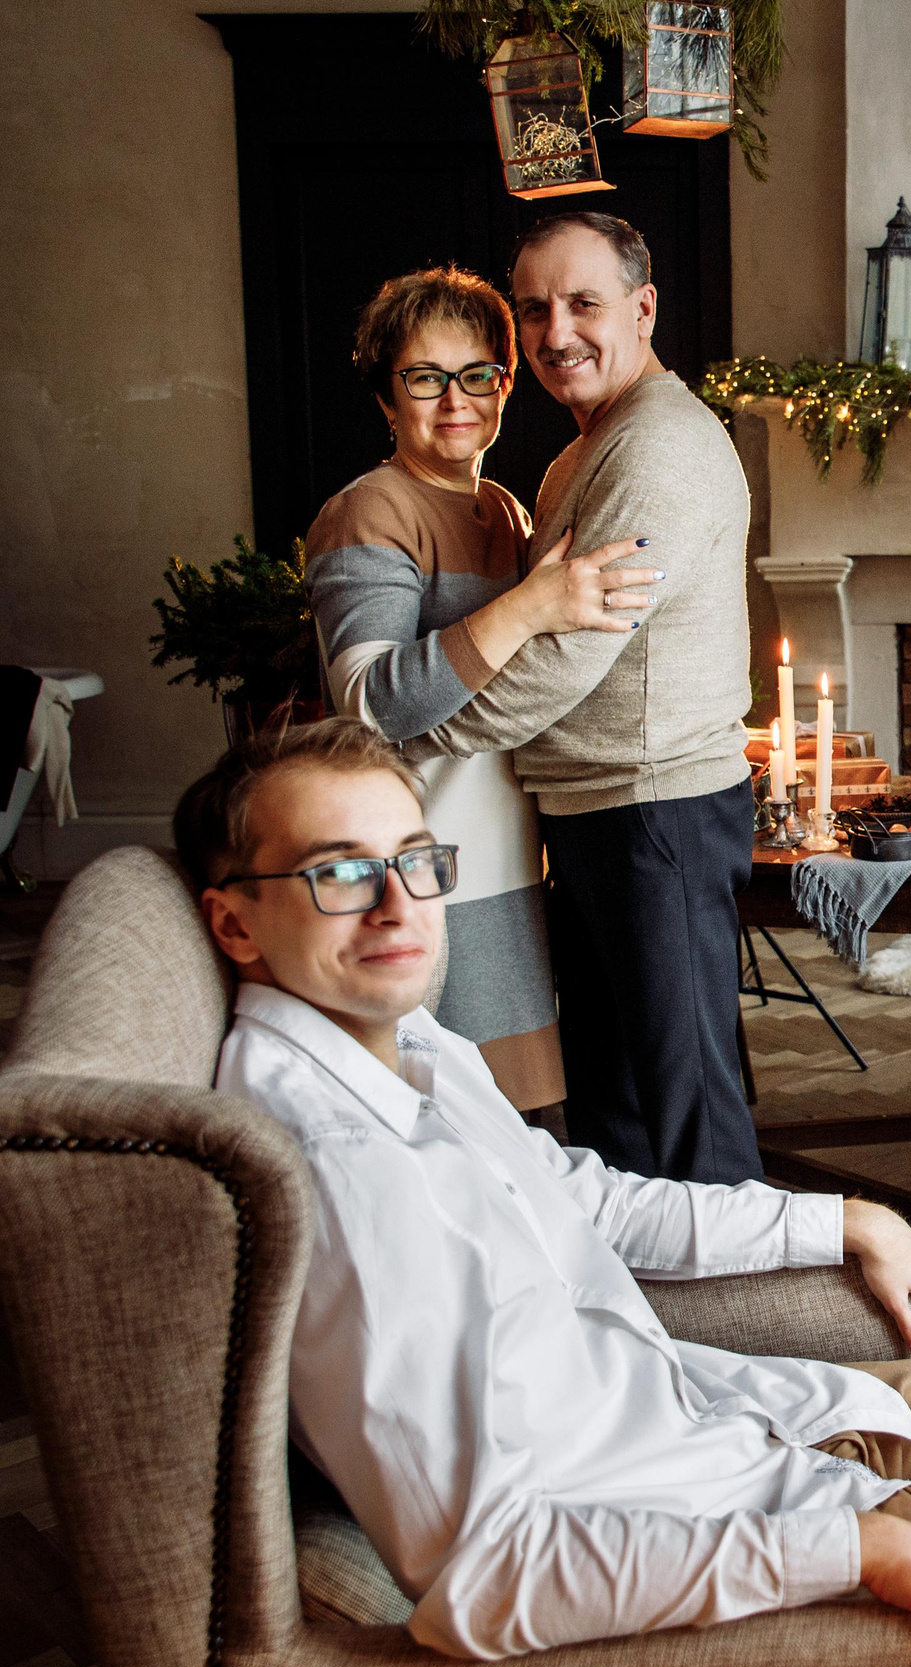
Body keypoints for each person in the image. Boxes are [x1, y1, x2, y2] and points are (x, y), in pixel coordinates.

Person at [180, 719, 911, 1667]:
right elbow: (487, 1569)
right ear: (232, 922)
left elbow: (580, 1195)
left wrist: (836, 1217)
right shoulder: (328, 1169)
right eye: (340, 874)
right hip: (728, 1533)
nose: (397, 905)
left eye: (416, 863)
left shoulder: (409, 1047)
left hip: (728, 1423)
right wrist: (862, 1555)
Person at [405, 212, 761, 1185]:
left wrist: (410, 733)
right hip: (604, 810)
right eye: (534, 309)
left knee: (690, 1113)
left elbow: (563, 660)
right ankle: (638, 1320)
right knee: (620, 1107)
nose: (555, 331)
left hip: (660, 815)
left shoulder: (656, 447)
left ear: (643, 309)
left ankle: (759, 1324)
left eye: (584, 304)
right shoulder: (585, 449)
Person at [305, 264, 656, 1117]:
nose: (454, 399)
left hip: (504, 867)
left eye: (478, 375)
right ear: (388, 399)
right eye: (425, 378)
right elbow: (372, 703)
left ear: (504, 385)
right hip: (423, 877)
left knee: (530, 1133)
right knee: (454, 1128)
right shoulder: (370, 511)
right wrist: (530, 605)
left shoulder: (502, 508)